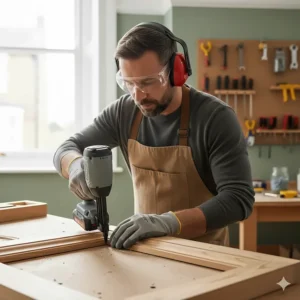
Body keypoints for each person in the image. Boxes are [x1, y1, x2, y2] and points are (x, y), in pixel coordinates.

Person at [53, 22, 255, 250]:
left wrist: (168, 222)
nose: (138, 95)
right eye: (129, 84)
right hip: (145, 252)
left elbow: (239, 199)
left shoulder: (215, 118)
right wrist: (76, 166)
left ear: (176, 72)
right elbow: (67, 147)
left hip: (204, 256)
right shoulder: (124, 112)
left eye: (148, 82)